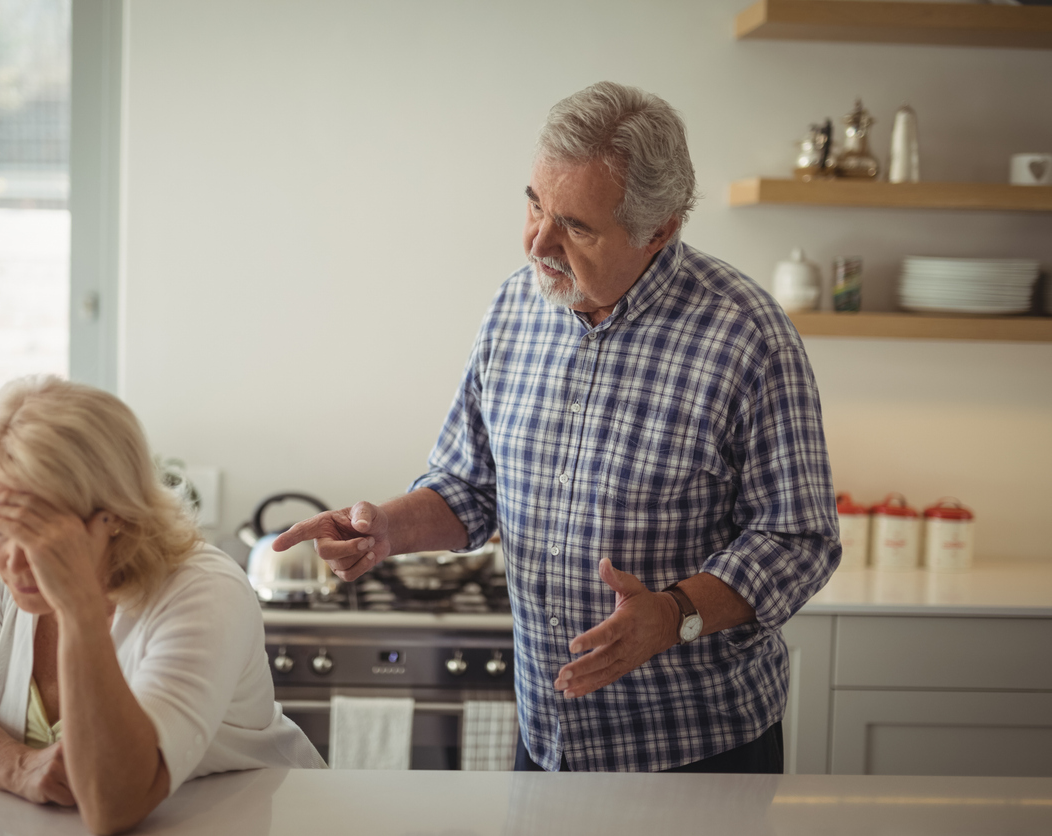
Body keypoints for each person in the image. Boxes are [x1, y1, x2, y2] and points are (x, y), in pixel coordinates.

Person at [273, 82, 840, 774]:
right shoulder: (516, 305)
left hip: (698, 749)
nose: (537, 241)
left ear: (658, 230)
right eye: (535, 204)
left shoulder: (746, 334)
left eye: (576, 226)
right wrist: (387, 529)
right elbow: (469, 487)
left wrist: (672, 614)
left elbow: (800, 538)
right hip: (549, 740)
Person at [0, 377, 324, 835]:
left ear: (114, 517)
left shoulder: (205, 590)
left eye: (41, 530)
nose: (12, 558)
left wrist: (79, 612)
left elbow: (114, 807)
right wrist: (18, 767)